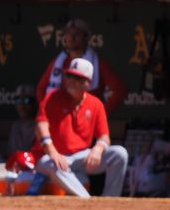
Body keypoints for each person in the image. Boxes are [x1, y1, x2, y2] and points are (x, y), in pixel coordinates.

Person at [35, 58, 129, 197]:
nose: (71, 80)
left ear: (88, 83)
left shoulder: (96, 104)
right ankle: (86, 200)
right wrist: (53, 153)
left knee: (120, 154)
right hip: (56, 156)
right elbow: (40, 126)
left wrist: (98, 149)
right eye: (69, 76)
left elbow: (104, 136)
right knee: (49, 162)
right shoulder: (53, 97)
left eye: (78, 78)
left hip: (82, 157)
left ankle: (110, 200)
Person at [36, 19, 127, 114]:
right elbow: (41, 89)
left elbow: (120, 90)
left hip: (85, 117)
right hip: (61, 118)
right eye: (68, 34)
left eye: (77, 34)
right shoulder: (58, 62)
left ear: (86, 37)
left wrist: (100, 113)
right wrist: (47, 111)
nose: (72, 37)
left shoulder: (98, 62)